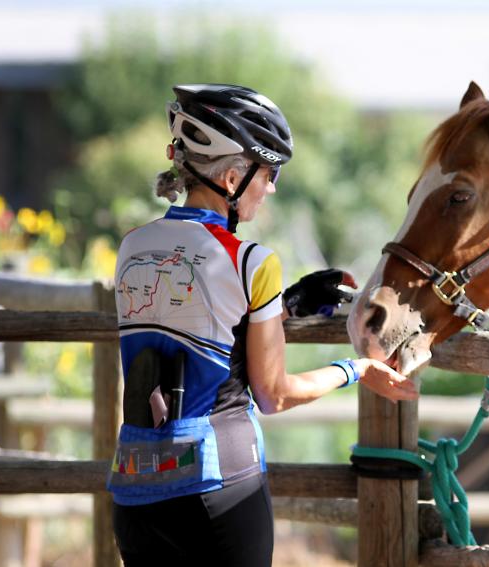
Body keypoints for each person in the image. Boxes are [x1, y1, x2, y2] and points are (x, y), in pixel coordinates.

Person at [106, 83, 418, 566]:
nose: (271, 188)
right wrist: (357, 369)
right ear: (232, 177)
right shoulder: (252, 260)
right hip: (217, 490)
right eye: (268, 173)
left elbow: (192, 320)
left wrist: (286, 306)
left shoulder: (132, 247)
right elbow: (274, 394)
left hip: (134, 493)